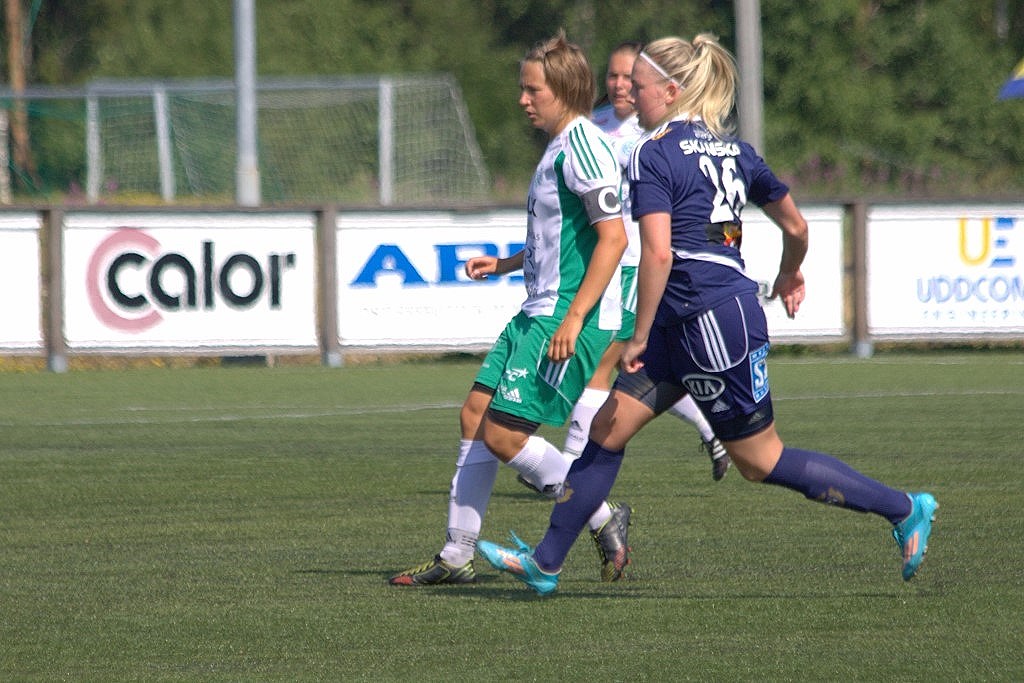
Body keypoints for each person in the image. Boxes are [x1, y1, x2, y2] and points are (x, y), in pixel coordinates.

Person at [476, 33, 938, 595]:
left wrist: (638, 334)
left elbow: (659, 254)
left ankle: (904, 507)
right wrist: (791, 272)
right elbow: (796, 226)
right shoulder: (734, 151)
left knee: (759, 460)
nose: (629, 96)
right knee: (607, 427)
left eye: (639, 87)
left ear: (671, 92)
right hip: (690, 319)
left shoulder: (653, 152)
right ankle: (546, 563)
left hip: (710, 322)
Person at [389, 31, 630, 587]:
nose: (523, 99)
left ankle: (599, 513)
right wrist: (504, 264)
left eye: (532, 89)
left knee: (503, 437)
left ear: (563, 90)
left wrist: (574, 318)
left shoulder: (585, 147)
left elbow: (613, 238)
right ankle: (456, 556)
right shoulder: (559, 146)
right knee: (475, 415)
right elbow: (561, 237)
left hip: (563, 316)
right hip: (538, 309)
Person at [565, 40, 730, 483]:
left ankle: (569, 468)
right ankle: (712, 428)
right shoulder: (592, 127)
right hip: (608, 259)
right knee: (642, 364)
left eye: (630, 78)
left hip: (640, 262)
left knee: (608, 362)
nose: (621, 85)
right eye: (614, 76)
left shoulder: (661, 132)